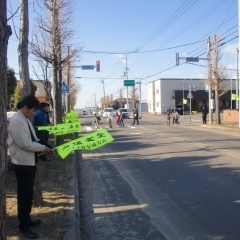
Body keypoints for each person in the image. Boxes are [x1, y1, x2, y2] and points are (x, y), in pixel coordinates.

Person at [8, 95, 52, 239]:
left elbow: (33, 139)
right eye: (32, 111)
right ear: (25, 107)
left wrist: (46, 145)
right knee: (24, 196)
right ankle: (24, 225)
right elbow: (25, 144)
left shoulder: (24, 119)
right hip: (22, 163)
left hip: (29, 162)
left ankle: (27, 219)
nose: (33, 113)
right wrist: (42, 148)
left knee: (28, 195)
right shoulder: (16, 121)